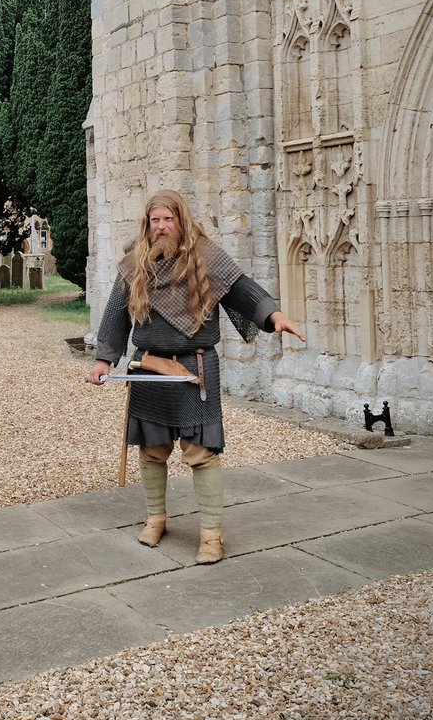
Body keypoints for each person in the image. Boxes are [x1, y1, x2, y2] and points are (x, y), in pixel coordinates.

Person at [86, 189, 305, 565]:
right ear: (147, 224)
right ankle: (156, 518)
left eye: (168, 219)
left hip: (196, 368)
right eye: (155, 220)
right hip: (148, 367)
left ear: (181, 220)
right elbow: (115, 316)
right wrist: (104, 360)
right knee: (152, 451)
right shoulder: (134, 264)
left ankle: (211, 535)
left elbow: (242, 291)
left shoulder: (208, 256)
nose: (161, 226)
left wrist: (273, 316)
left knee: (202, 454)